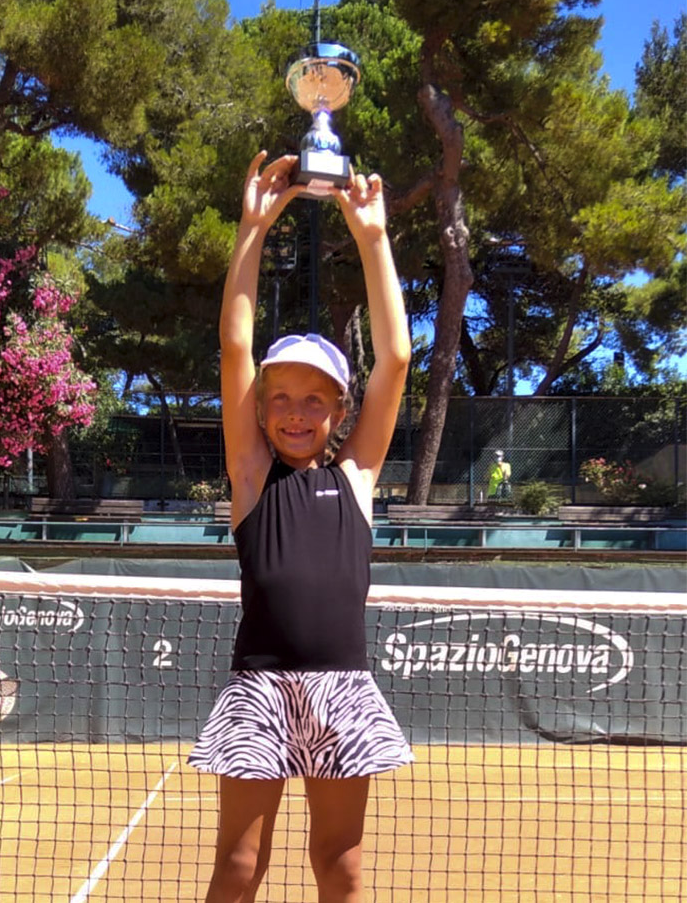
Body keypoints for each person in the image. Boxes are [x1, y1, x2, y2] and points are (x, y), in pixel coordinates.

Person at [187, 151, 414, 903]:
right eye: (280, 396)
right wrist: (252, 227)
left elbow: (397, 358)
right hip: (260, 689)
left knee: (340, 867)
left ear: (340, 411)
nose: (294, 410)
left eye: (315, 399)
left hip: (343, 690)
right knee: (238, 865)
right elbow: (235, 346)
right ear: (259, 407)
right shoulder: (251, 475)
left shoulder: (357, 477)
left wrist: (372, 237)